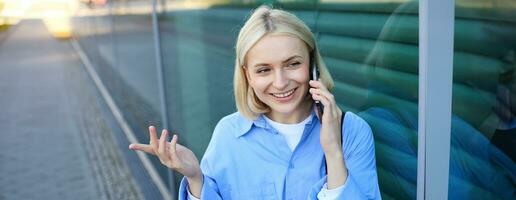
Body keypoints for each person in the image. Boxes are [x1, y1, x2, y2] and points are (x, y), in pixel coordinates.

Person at [129, 5, 381, 200]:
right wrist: (195, 178)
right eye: (264, 70)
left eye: (293, 64)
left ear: (312, 65)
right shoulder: (228, 135)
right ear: (247, 75)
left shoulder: (352, 132)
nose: (280, 82)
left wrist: (333, 153)